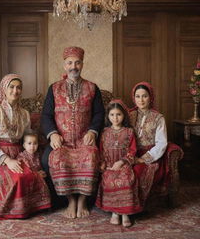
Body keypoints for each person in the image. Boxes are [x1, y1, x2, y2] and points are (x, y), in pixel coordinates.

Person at [41, 46, 105, 219]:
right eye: (70, 63)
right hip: (62, 141)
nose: (73, 66)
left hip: (85, 141)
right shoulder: (54, 88)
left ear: (82, 64)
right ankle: (70, 200)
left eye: (77, 62)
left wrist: (93, 131)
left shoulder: (92, 88)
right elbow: (46, 115)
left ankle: (83, 200)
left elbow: (99, 113)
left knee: (92, 158)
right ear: (64, 65)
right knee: (54, 159)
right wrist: (52, 134)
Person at [0, 74, 51, 220]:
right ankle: (16, 210)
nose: (15, 91)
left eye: (18, 87)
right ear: (4, 89)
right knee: (20, 178)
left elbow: (28, 139)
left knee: (33, 174)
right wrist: (7, 160)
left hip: (20, 154)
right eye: (11, 87)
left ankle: (31, 207)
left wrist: (31, 161)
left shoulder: (25, 114)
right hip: (0, 158)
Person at [129, 81, 181, 207]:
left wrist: (143, 159)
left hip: (151, 156)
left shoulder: (158, 118)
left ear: (150, 97)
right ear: (133, 97)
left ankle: (137, 207)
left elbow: (161, 144)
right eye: (138, 96)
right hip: (131, 152)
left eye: (144, 96)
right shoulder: (129, 115)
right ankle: (123, 206)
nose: (141, 100)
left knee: (138, 172)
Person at [95, 99, 141, 227]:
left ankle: (125, 213)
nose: (115, 118)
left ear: (124, 115)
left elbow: (132, 151)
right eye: (112, 115)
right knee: (109, 180)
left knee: (126, 180)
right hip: (109, 165)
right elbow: (101, 150)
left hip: (124, 164)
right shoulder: (104, 133)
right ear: (108, 116)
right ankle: (115, 212)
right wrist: (102, 163)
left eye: (118, 114)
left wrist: (122, 162)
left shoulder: (129, 132)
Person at [16, 133, 51, 203]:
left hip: (38, 176)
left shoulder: (38, 155)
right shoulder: (22, 157)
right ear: (24, 145)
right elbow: (25, 171)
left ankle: (44, 204)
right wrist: (36, 174)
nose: (32, 146)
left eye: (35, 143)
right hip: (30, 177)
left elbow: (40, 166)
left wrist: (42, 172)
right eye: (29, 143)